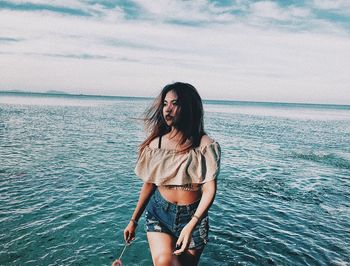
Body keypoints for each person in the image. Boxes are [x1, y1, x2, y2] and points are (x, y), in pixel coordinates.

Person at [123, 82, 221, 266]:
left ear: (189, 107)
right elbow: (150, 184)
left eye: (174, 104)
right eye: (165, 103)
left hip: (194, 217)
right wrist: (133, 221)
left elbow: (209, 189)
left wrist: (192, 223)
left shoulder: (205, 144)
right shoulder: (156, 145)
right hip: (159, 213)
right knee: (165, 262)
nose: (168, 109)